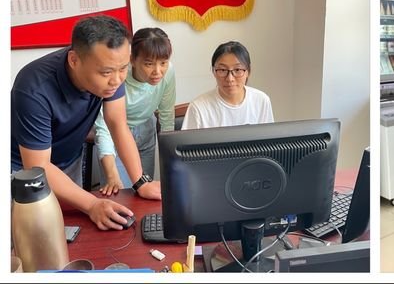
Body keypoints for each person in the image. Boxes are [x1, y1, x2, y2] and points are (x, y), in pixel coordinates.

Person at [10, 16, 161, 230]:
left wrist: (141, 182)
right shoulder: (33, 88)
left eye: (123, 68)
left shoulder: (112, 71)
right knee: (30, 234)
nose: (117, 80)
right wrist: (92, 204)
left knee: (74, 231)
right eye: (106, 72)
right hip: (22, 169)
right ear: (74, 60)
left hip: (68, 160)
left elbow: (117, 123)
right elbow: (38, 165)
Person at [94, 27, 176, 195]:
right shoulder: (117, 77)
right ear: (132, 60)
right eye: (148, 64)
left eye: (163, 63)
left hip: (146, 129)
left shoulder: (168, 72)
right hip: (115, 134)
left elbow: (167, 116)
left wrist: (170, 162)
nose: (157, 72)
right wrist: (111, 173)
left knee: (145, 190)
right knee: (119, 192)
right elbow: (105, 127)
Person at [182, 41, 274, 129]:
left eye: (237, 70)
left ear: (248, 72)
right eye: (222, 70)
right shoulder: (198, 107)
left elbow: (268, 139)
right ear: (213, 71)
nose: (230, 79)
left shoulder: (261, 101)